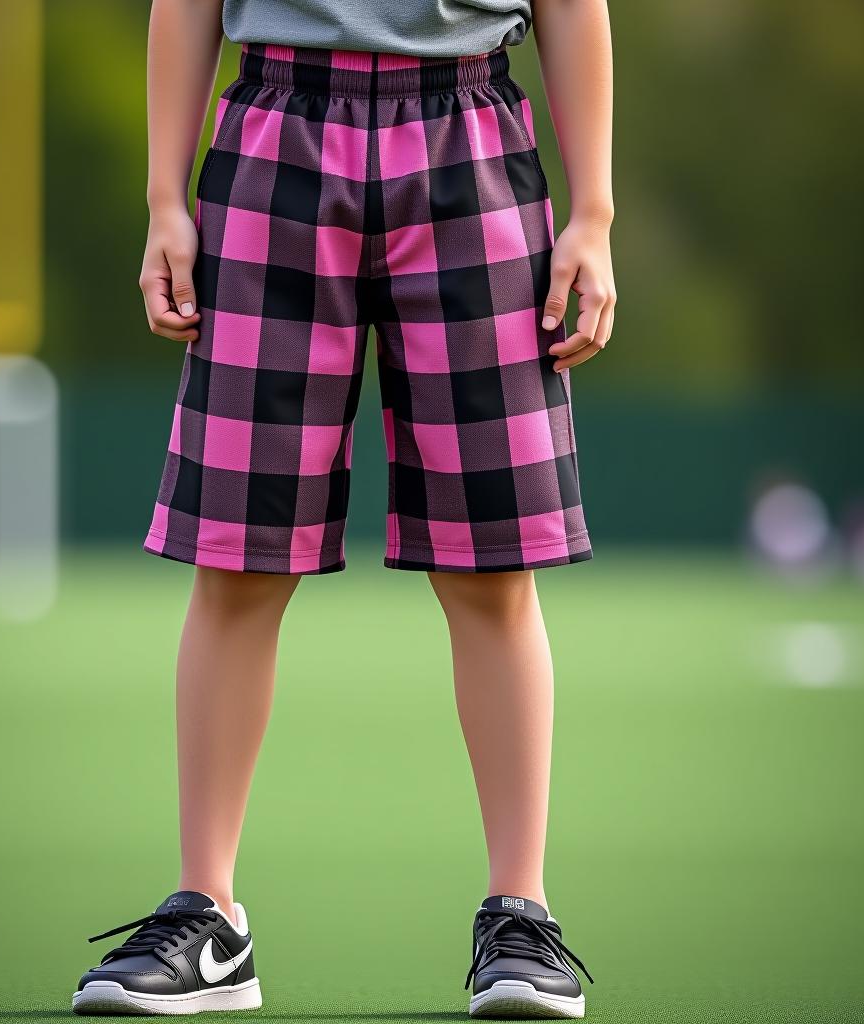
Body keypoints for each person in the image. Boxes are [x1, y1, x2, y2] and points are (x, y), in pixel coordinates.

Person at [73, 0, 613, 1016]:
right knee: (237, 557)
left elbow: (570, 6)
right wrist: (164, 200)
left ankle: (520, 915)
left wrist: (593, 216)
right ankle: (208, 915)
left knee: (491, 566)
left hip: (473, 134)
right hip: (274, 130)